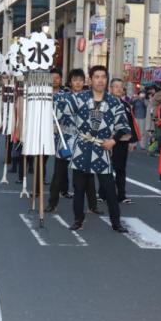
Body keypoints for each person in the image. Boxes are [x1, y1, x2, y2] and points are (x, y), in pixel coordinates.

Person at [61, 65, 129, 233]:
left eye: (103, 77)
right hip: (82, 147)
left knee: (109, 189)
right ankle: (78, 220)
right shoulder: (79, 98)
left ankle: (116, 222)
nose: (100, 80)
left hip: (102, 147)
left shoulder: (114, 102)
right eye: (96, 77)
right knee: (78, 188)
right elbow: (63, 115)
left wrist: (113, 140)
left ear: (107, 80)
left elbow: (123, 126)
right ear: (90, 80)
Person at [47, 68, 97, 213]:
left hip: (84, 140)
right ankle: (52, 203)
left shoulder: (91, 98)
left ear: (84, 81)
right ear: (70, 82)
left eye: (80, 80)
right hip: (65, 139)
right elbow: (54, 116)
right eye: (75, 80)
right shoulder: (61, 97)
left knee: (87, 174)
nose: (78, 83)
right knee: (59, 173)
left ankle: (93, 205)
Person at [109, 78, 141, 206]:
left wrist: (132, 141)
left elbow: (131, 123)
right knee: (105, 168)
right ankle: (104, 194)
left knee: (120, 168)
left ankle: (121, 195)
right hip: (107, 139)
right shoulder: (105, 103)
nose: (118, 89)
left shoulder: (126, 105)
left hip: (123, 140)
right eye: (115, 86)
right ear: (110, 88)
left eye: (120, 87)